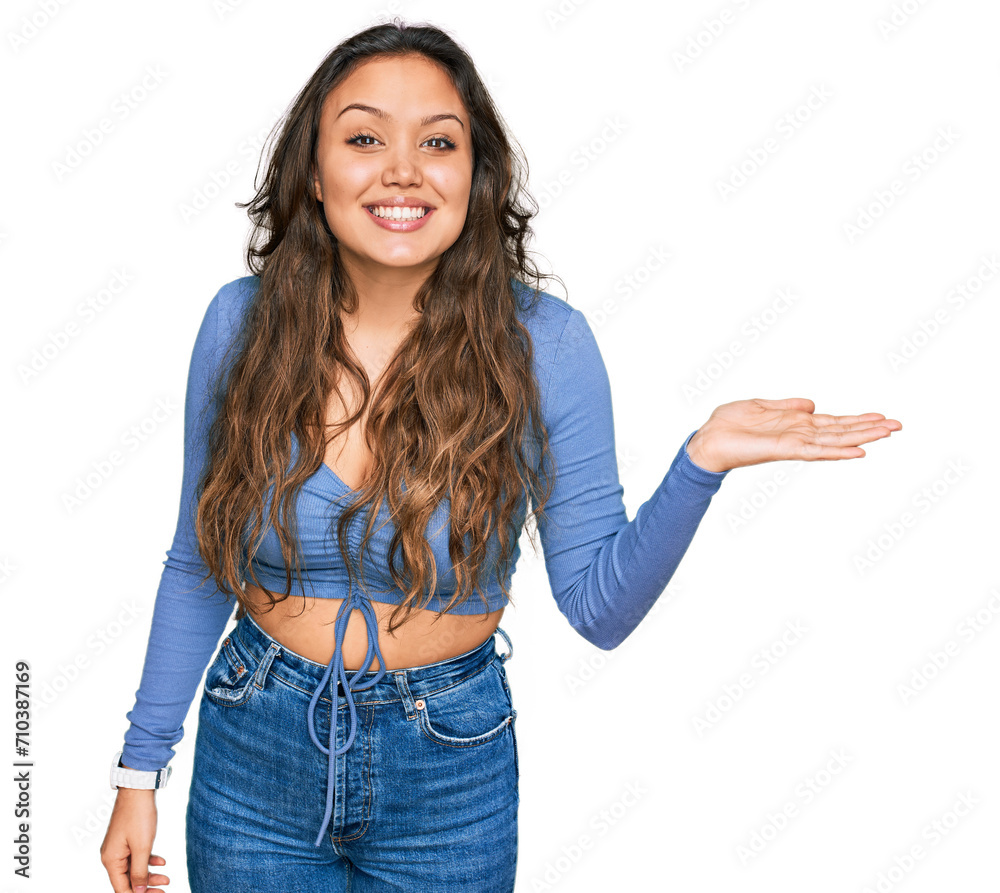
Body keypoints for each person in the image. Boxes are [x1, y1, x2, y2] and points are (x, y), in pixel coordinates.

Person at [99, 19, 901, 893]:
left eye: (436, 142)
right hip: (252, 750)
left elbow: (598, 607)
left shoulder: (543, 344)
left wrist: (700, 462)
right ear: (314, 171)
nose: (401, 169)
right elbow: (198, 561)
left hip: (448, 763)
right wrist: (138, 773)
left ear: (474, 175)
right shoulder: (240, 324)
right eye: (364, 138)